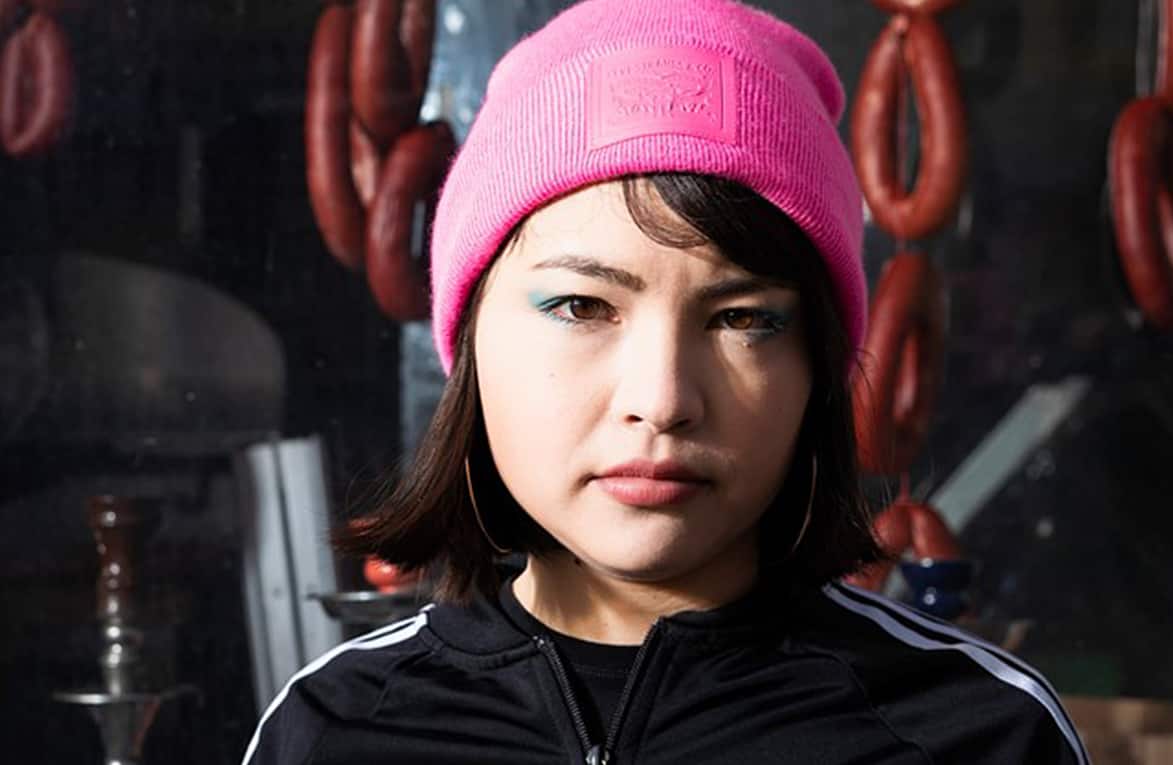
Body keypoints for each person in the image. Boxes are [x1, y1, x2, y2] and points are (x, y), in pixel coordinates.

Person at [243, 0, 1090, 762]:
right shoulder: (332, 729)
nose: (663, 400)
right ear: (469, 341)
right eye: (581, 306)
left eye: (742, 318)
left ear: (817, 368)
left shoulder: (982, 735)